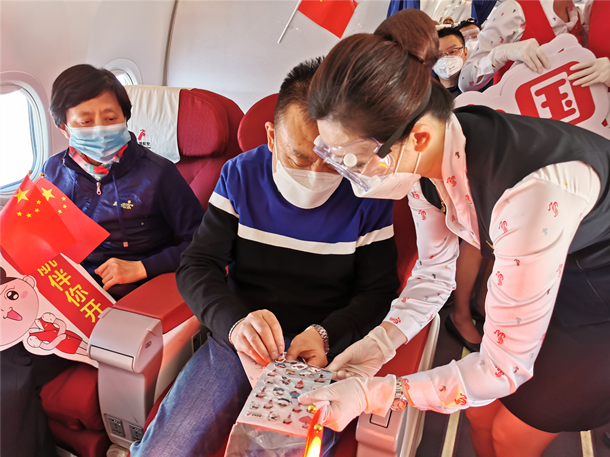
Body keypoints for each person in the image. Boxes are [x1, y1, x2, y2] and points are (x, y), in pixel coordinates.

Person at [298, 9, 610, 457]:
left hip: (598, 299)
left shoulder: (528, 195)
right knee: (479, 416)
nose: (356, 177)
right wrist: (376, 347)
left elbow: (502, 369)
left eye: (356, 161)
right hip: (550, 270)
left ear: (417, 139)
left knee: (510, 434)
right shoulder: (428, 151)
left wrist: (375, 394)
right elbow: (435, 273)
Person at [130, 58, 400, 457]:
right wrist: (235, 324)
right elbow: (197, 265)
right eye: (300, 158)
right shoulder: (241, 175)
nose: (317, 172)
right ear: (272, 137)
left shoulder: (366, 190)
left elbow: (378, 291)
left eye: (331, 160)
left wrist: (327, 333)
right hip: (242, 336)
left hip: (321, 350)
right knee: (163, 450)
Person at [0, 64, 204, 457]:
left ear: (126, 118)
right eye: (85, 121)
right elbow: (38, 236)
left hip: (125, 296)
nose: (100, 130)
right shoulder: (53, 170)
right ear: (64, 127)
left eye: (110, 118)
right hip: (65, 291)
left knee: (12, 363)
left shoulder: (158, 175)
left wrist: (142, 267)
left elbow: (201, 243)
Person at [459, 0, 610, 92]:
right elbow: (465, 82)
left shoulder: (579, 18)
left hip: (564, 123)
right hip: (515, 123)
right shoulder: (514, 10)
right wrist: (503, 53)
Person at [433, 28, 470, 98]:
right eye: (438, 55)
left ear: (465, 52)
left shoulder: (481, 85)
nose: (446, 59)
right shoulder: (424, 94)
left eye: (452, 51)